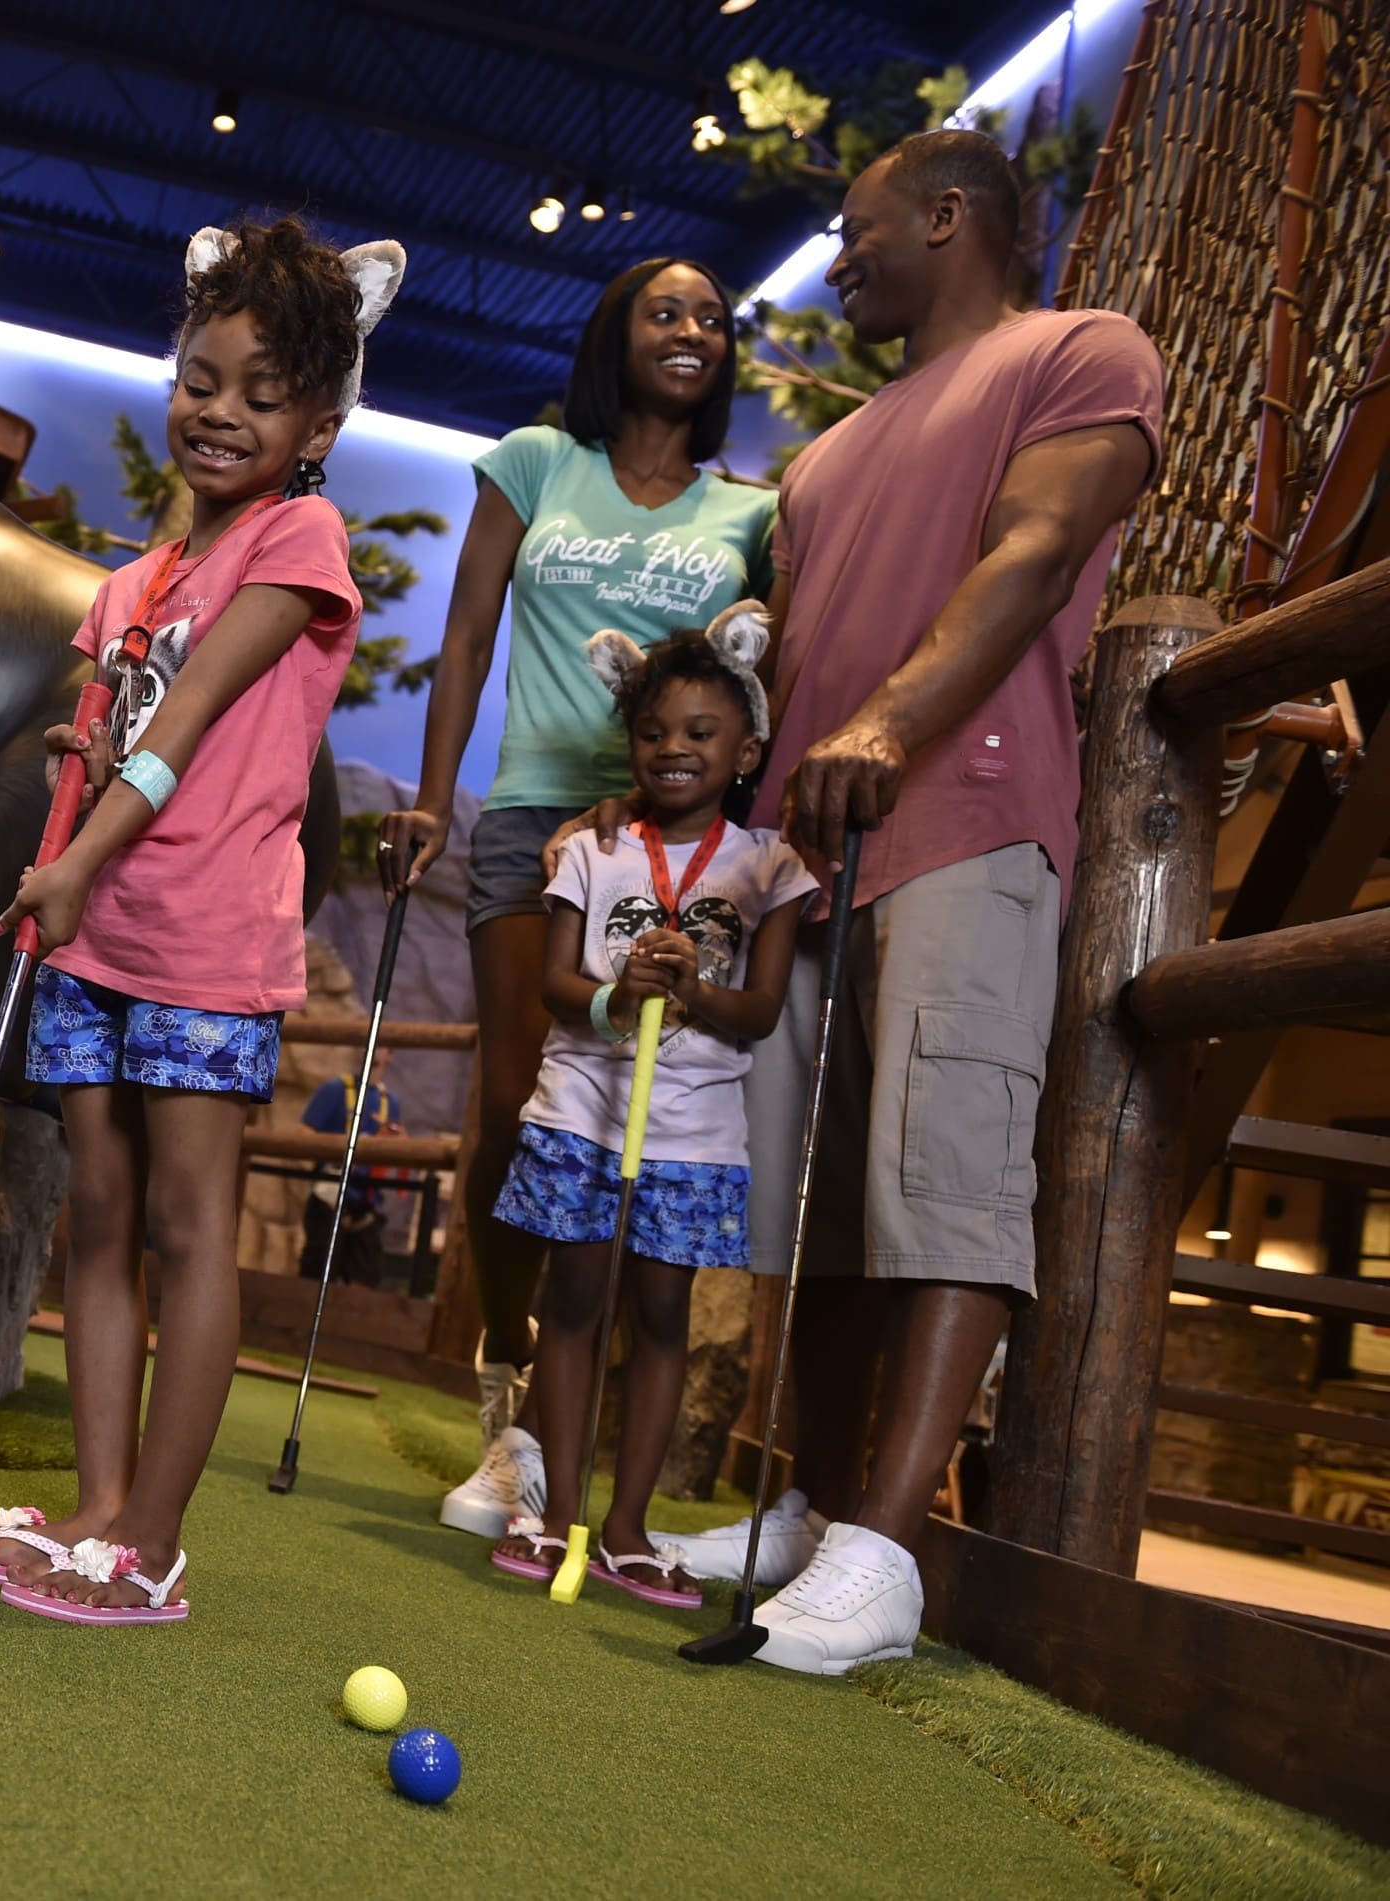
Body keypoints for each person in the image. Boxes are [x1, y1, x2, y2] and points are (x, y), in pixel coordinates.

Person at [637, 129, 1163, 1672]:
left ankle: (886, 1552)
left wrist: (890, 722)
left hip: (968, 823)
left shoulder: (1080, 351)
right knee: (828, 1210)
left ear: (950, 215)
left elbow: (1043, 545)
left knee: (943, 1183)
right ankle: (813, 1510)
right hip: (810, 862)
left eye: (859, 230)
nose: (839, 258)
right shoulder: (823, 458)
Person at [0, 217, 400, 1623]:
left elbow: (184, 729)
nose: (223, 413)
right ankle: (90, 1509)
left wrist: (80, 864)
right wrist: (51, 869)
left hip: (202, 943)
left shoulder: (301, 539)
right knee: (98, 1215)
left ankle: (152, 1537)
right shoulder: (138, 581)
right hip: (93, 935)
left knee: (192, 1225)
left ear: (319, 420)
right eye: (205, 378)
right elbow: (87, 744)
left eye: (265, 396)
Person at [377, 258, 777, 1540]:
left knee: (635, 1129)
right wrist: (435, 793)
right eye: (668, 310)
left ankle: (588, 1452)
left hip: (670, 843)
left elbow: (764, 683)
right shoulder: (538, 460)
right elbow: (471, 633)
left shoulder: (750, 513)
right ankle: (512, 1373)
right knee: (516, 1104)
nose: (694, 331)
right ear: (618, 332)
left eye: (714, 318)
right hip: (534, 814)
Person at [485, 622, 811, 1604]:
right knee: (576, 1302)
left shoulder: (769, 867)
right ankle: (556, 1512)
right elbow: (553, 985)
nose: (675, 748)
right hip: (584, 1111)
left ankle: (625, 1524)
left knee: (663, 1311)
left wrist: (692, 990)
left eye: (702, 733)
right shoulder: (589, 848)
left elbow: (756, 1014)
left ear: (744, 751)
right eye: (655, 731)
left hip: (694, 1133)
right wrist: (617, 996)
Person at [298, 1073, 404, 1288]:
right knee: (316, 1277)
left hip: (367, 1203)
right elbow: (302, 1135)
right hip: (330, 1196)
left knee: (364, 1280)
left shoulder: (390, 1102)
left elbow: (397, 1150)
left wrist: (391, 1144)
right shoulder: (334, 1090)